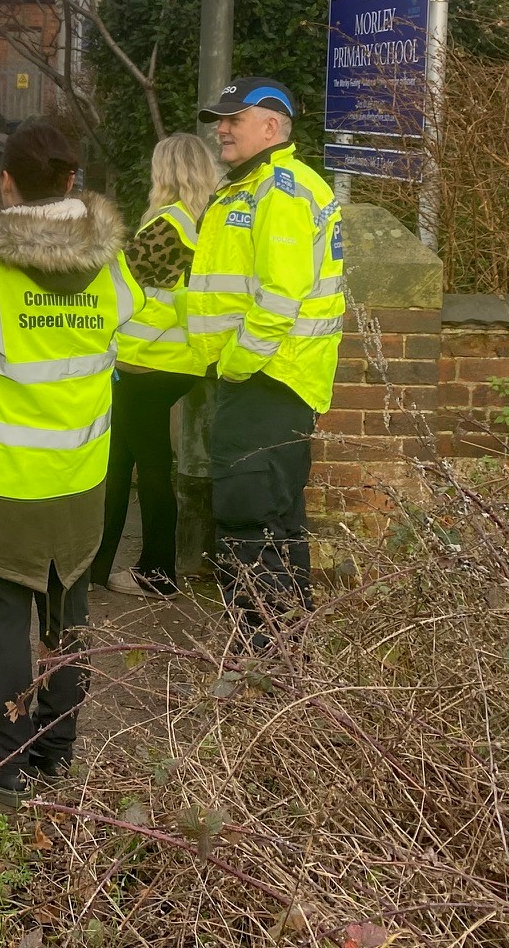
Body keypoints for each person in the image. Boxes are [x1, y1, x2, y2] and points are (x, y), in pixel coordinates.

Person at [0, 121, 130, 802]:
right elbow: (129, 325)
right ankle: (58, 750)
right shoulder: (112, 265)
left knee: (3, 621)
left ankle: (7, 759)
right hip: (76, 480)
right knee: (69, 616)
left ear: (5, 182)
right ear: (72, 181)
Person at [186, 76, 345, 644]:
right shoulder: (251, 186)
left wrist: (233, 364)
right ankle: (286, 670)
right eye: (219, 120)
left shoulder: (278, 189)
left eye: (234, 119)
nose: (221, 129)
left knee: (250, 523)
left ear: (272, 126)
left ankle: (264, 665)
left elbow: (279, 298)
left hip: (267, 381)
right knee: (274, 524)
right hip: (265, 381)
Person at [94, 132, 222, 598]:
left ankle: (158, 573)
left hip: (144, 364)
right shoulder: (209, 222)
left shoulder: (167, 225)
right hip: (181, 361)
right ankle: (99, 562)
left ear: (164, 172)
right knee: (124, 458)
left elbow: (122, 293)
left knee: (146, 465)